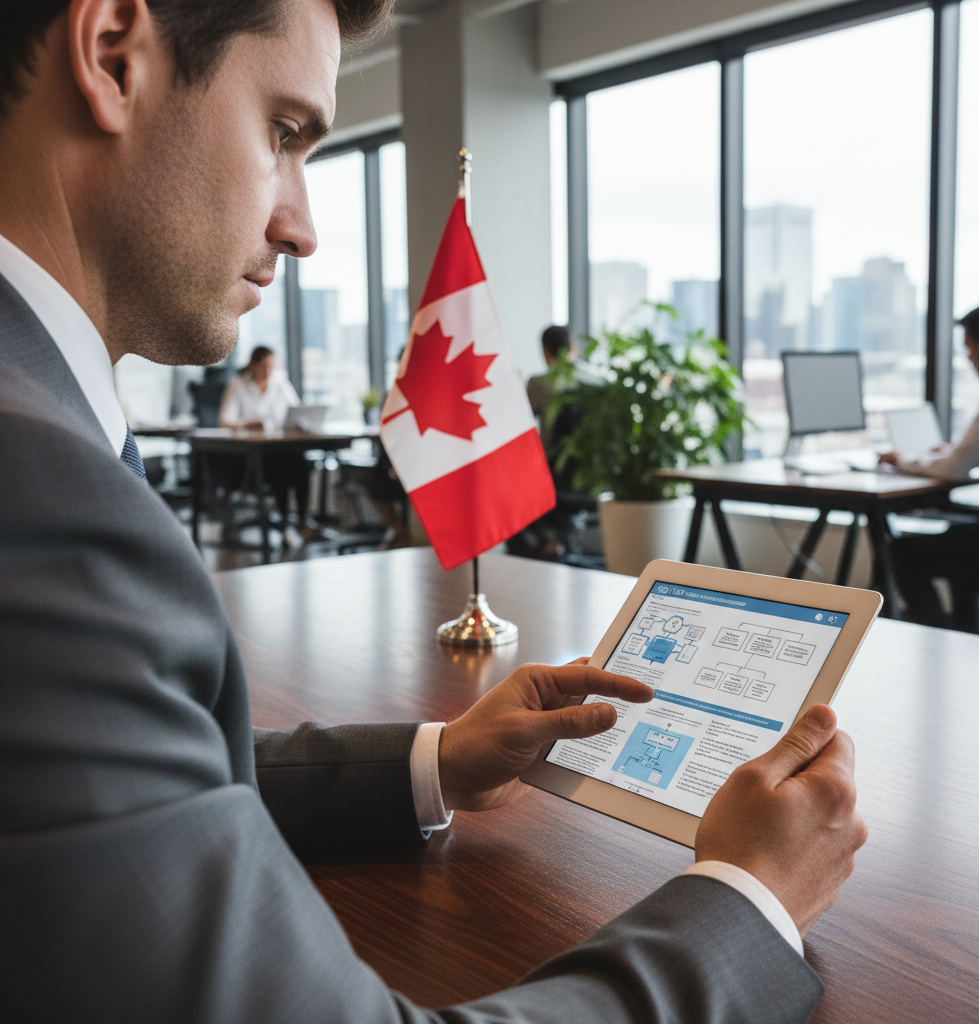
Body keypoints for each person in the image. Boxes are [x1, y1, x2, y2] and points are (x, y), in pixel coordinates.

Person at [0, 2, 866, 1021]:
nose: (303, 226)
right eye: (283, 132)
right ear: (112, 56)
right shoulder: (39, 493)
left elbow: (124, 787)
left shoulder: (44, 427)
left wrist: (436, 760)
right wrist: (747, 897)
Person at [879, 302, 979, 631]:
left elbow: (954, 468)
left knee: (900, 554)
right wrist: (952, 452)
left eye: (968, 348)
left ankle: (939, 638)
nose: (968, 358)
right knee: (958, 539)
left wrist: (901, 458)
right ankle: (966, 631)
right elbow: (976, 452)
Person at [219, 344, 316, 537]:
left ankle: (302, 522)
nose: (268, 371)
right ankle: (286, 524)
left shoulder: (280, 385)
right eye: (264, 366)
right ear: (252, 365)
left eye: (272, 366)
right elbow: (224, 421)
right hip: (249, 456)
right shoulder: (237, 386)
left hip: (278, 448)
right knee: (282, 468)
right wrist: (247, 424)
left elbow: (296, 413)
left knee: (299, 465)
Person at [527, 324, 574, 450]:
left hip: (550, 458)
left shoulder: (537, 384)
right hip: (585, 459)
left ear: (544, 351)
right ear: (573, 348)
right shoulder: (587, 382)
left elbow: (523, 421)